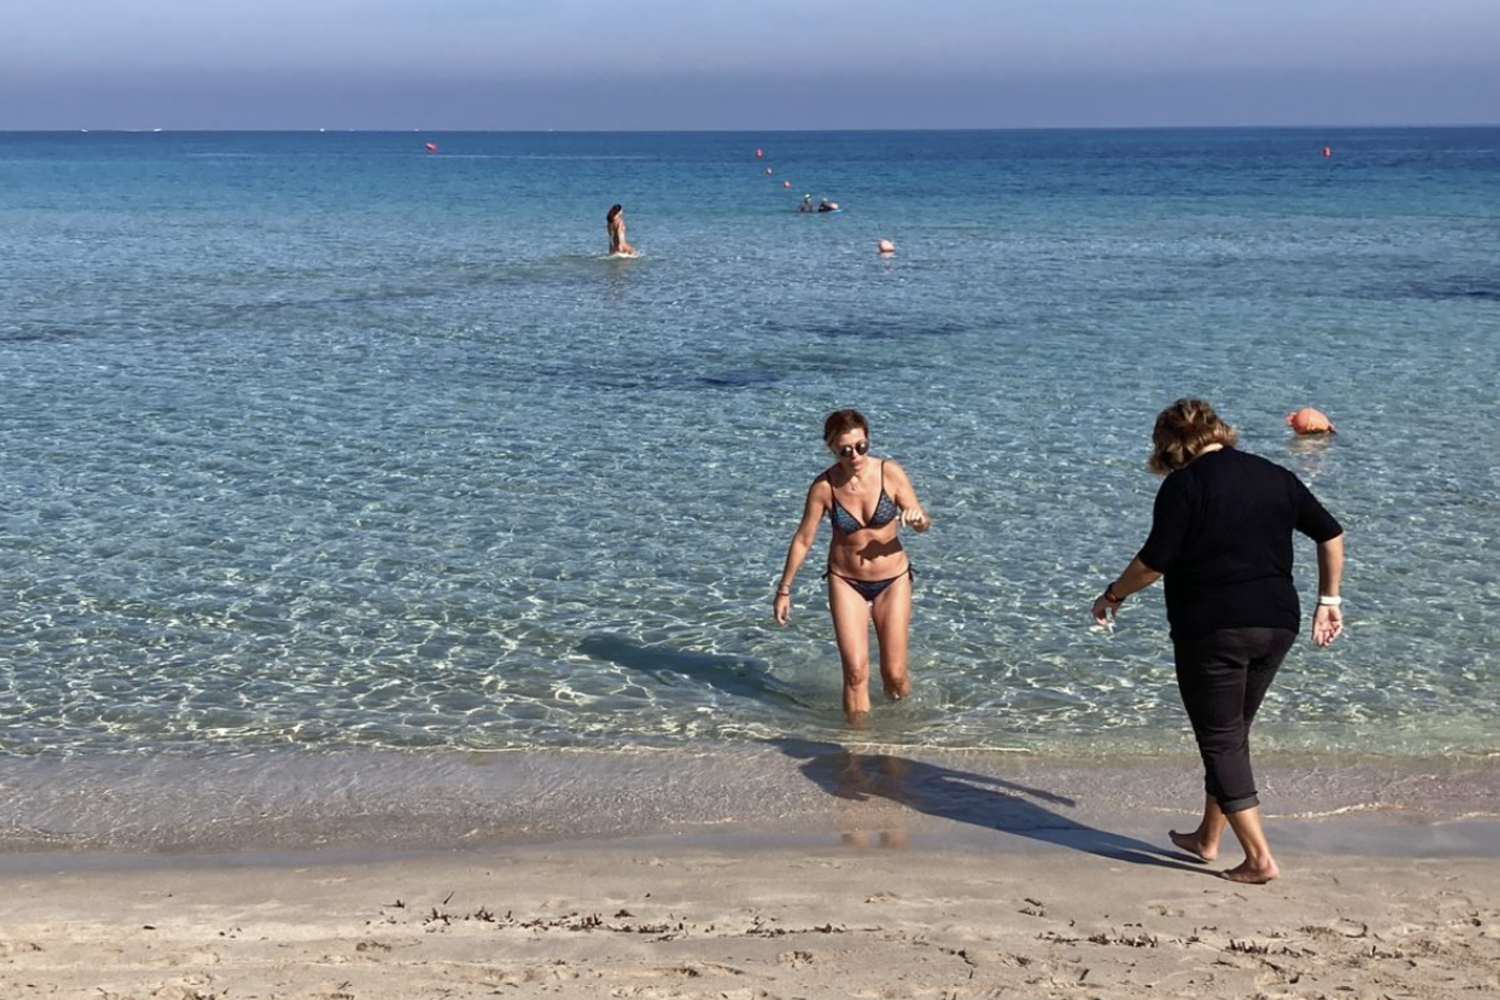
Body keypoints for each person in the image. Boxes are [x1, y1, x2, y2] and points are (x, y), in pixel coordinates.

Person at [1090, 398, 1345, 884]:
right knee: (1230, 735)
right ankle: (1208, 837)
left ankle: (1259, 859)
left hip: (1214, 629)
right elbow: (1330, 534)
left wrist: (1113, 595)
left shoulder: (1183, 486)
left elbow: (1154, 561)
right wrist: (1329, 601)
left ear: (1170, 445)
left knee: (1222, 740)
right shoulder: (1274, 475)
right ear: (1218, 431)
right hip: (1278, 624)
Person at [774, 410, 931, 724]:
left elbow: (922, 522)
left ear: (868, 440)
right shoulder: (824, 486)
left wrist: (917, 520)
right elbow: (804, 539)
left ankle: (908, 734)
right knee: (856, 673)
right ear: (831, 448)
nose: (855, 456)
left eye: (861, 446)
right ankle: (856, 751)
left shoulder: (890, 473)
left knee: (895, 674)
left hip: (893, 580)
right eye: (845, 450)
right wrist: (784, 590)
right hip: (846, 581)